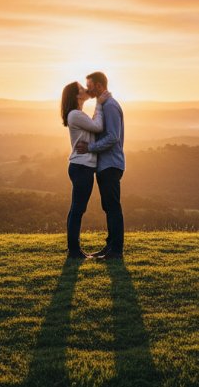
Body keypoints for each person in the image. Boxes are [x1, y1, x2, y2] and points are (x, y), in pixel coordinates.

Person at [73, 71, 125, 260]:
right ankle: (110, 247)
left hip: (111, 163)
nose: (87, 89)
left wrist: (90, 148)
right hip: (106, 164)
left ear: (99, 86)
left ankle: (116, 251)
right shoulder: (104, 104)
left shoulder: (110, 106)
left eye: (90, 85)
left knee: (112, 207)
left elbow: (113, 137)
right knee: (108, 207)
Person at [60, 80, 109, 259]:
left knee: (77, 208)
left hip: (81, 166)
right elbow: (98, 127)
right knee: (78, 209)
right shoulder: (75, 114)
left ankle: (73, 249)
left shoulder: (77, 114)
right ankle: (74, 251)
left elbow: (93, 128)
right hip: (81, 167)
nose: (86, 90)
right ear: (76, 95)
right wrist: (100, 104)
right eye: (82, 89)